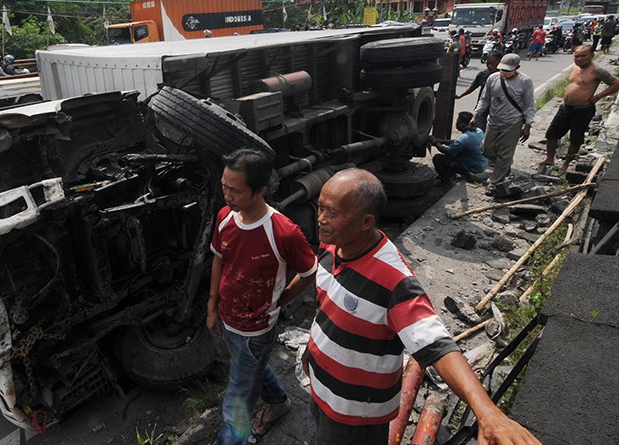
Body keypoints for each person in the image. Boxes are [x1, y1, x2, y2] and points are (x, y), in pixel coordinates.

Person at [302, 168, 541, 445]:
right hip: (322, 387)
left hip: (353, 413)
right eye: (320, 208)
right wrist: (313, 348)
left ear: (366, 221)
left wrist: (487, 412)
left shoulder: (394, 281)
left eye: (332, 213)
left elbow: (438, 345)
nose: (321, 220)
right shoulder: (333, 245)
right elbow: (327, 307)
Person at [208, 149, 317, 445]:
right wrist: (211, 305)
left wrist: (280, 301)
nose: (227, 195)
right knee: (252, 367)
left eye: (235, 190)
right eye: (224, 186)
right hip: (229, 321)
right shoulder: (224, 217)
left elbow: (309, 272)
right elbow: (219, 260)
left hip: (257, 330)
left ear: (260, 191)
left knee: (236, 404)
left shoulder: (283, 231)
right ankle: (280, 403)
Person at [540, 45, 619, 170]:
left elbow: (616, 83)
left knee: (576, 138)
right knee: (551, 134)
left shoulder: (597, 71)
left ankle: (565, 164)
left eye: (583, 56)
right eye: (577, 56)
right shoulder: (575, 68)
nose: (579, 59)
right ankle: (549, 159)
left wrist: (598, 96)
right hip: (566, 107)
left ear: (591, 56)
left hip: (583, 109)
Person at [473, 53, 535, 186]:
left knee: (505, 153)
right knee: (487, 149)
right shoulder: (493, 78)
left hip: (512, 122)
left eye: (507, 71)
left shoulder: (525, 81)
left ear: (516, 68)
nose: (503, 73)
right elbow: (484, 99)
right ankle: (504, 165)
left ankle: (495, 180)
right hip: (494, 120)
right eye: (502, 69)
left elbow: (529, 104)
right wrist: (476, 115)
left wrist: (528, 125)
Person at [430, 111, 488, 183]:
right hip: (482, 164)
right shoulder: (478, 131)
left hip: (474, 168)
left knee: (438, 158)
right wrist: (440, 141)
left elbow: (448, 151)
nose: (456, 124)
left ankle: (446, 180)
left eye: (457, 122)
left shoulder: (464, 138)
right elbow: (456, 142)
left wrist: (435, 142)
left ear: (463, 125)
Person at [456, 51, 502, 131]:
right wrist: (461, 95)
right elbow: (472, 87)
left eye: (493, 63)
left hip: (498, 110)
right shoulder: (483, 75)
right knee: (479, 131)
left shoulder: (506, 77)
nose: (489, 66)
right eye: (488, 63)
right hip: (482, 109)